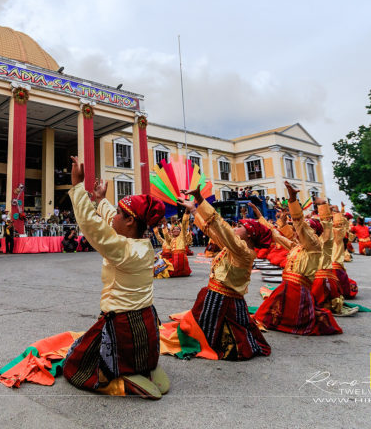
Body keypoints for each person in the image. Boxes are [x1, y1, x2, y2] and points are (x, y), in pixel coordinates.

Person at [63, 157, 168, 399]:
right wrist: (100, 200)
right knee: (140, 354)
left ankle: (125, 381)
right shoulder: (142, 245)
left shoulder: (123, 250)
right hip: (146, 324)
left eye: (121, 214)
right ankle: (147, 367)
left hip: (122, 327)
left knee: (75, 365)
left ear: (131, 220)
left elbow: (91, 225)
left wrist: (77, 186)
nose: (114, 217)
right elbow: (111, 217)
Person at [176, 189, 271, 360]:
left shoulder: (243, 251)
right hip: (214, 296)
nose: (236, 227)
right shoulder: (234, 248)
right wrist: (194, 210)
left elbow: (222, 227)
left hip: (225, 302)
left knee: (215, 339)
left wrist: (199, 199)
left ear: (250, 235)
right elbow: (211, 230)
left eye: (240, 227)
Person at [253, 181, 343, 336]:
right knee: (263, 314)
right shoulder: (297, 246)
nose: (295, 232)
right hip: (288, 287)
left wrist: (293, 200)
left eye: (298, 231)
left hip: (301, 289)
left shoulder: (315, 246)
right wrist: (260, 217)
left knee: (267, 316)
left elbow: (303, 224)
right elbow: (276, 235)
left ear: (311, 233)